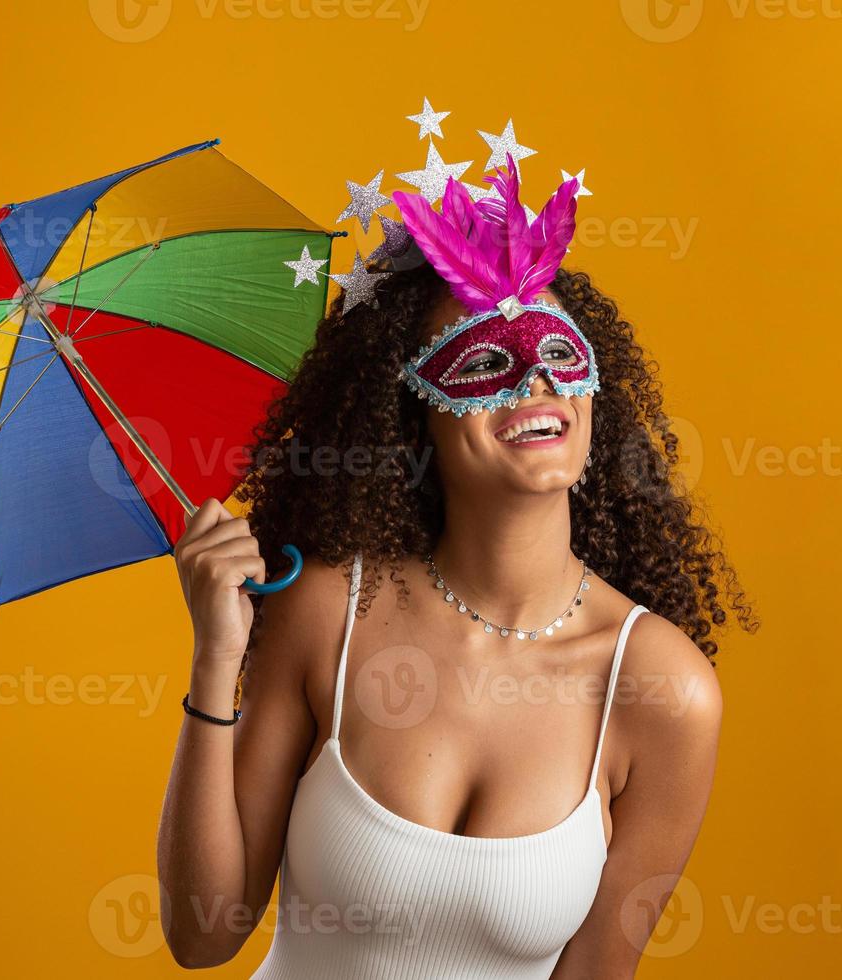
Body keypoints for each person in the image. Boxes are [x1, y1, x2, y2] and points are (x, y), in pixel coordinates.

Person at [157, 153, 755, 978]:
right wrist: (216, 655)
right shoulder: (330, 613)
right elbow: (204, 934)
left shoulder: (662, 690)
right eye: (483, 363)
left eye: (558, 351)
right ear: (408, 411)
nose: (537, 381)